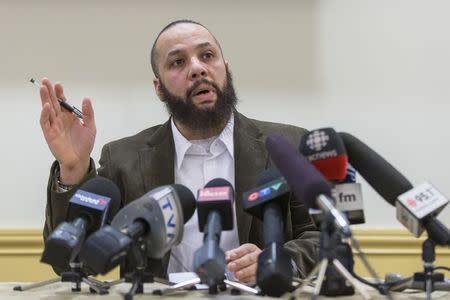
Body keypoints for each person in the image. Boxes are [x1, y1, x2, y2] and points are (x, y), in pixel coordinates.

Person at [39, 19, 320, 283]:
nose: (197, 68)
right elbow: (72, 262)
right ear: (159, 88)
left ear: (226, 68)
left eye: (207, 56)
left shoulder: (288, 146)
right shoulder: (124, 159)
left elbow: (321, 237)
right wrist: (73, 168)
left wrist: (280, 259)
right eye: (178, 62)